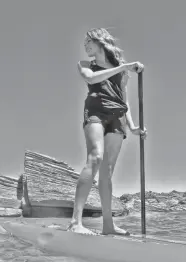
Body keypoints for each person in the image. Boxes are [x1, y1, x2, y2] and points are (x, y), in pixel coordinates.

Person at [68, 28, 147, 236]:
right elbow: (92, 79)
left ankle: (108, 225)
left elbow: (125, 100)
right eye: (84, 43)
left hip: (118, 117)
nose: (85, 46)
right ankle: (75, 222)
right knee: (95, 157)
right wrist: (124, 67)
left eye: (88, 41)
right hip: (96, 111)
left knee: (107, 172)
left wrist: (132, 127)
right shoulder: (86, 65)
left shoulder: (121, 71)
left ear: (100, 41)